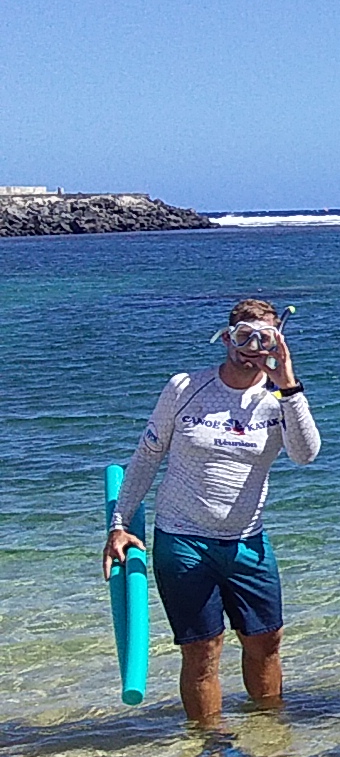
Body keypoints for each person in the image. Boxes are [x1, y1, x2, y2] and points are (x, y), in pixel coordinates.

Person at [103, 299, 320, 724]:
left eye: (263, 338)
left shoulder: (279, 399)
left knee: (266, 642)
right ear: (226, 338)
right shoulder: (185, 387)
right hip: (183, 540)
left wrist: (288, 385)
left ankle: (269, 735)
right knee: (202, 650)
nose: (252, 347)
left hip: (247, 542)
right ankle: (209, 746)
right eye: (243, 335)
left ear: (278, 341)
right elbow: (147, 456)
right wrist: (119, 524)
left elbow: (305, 454)